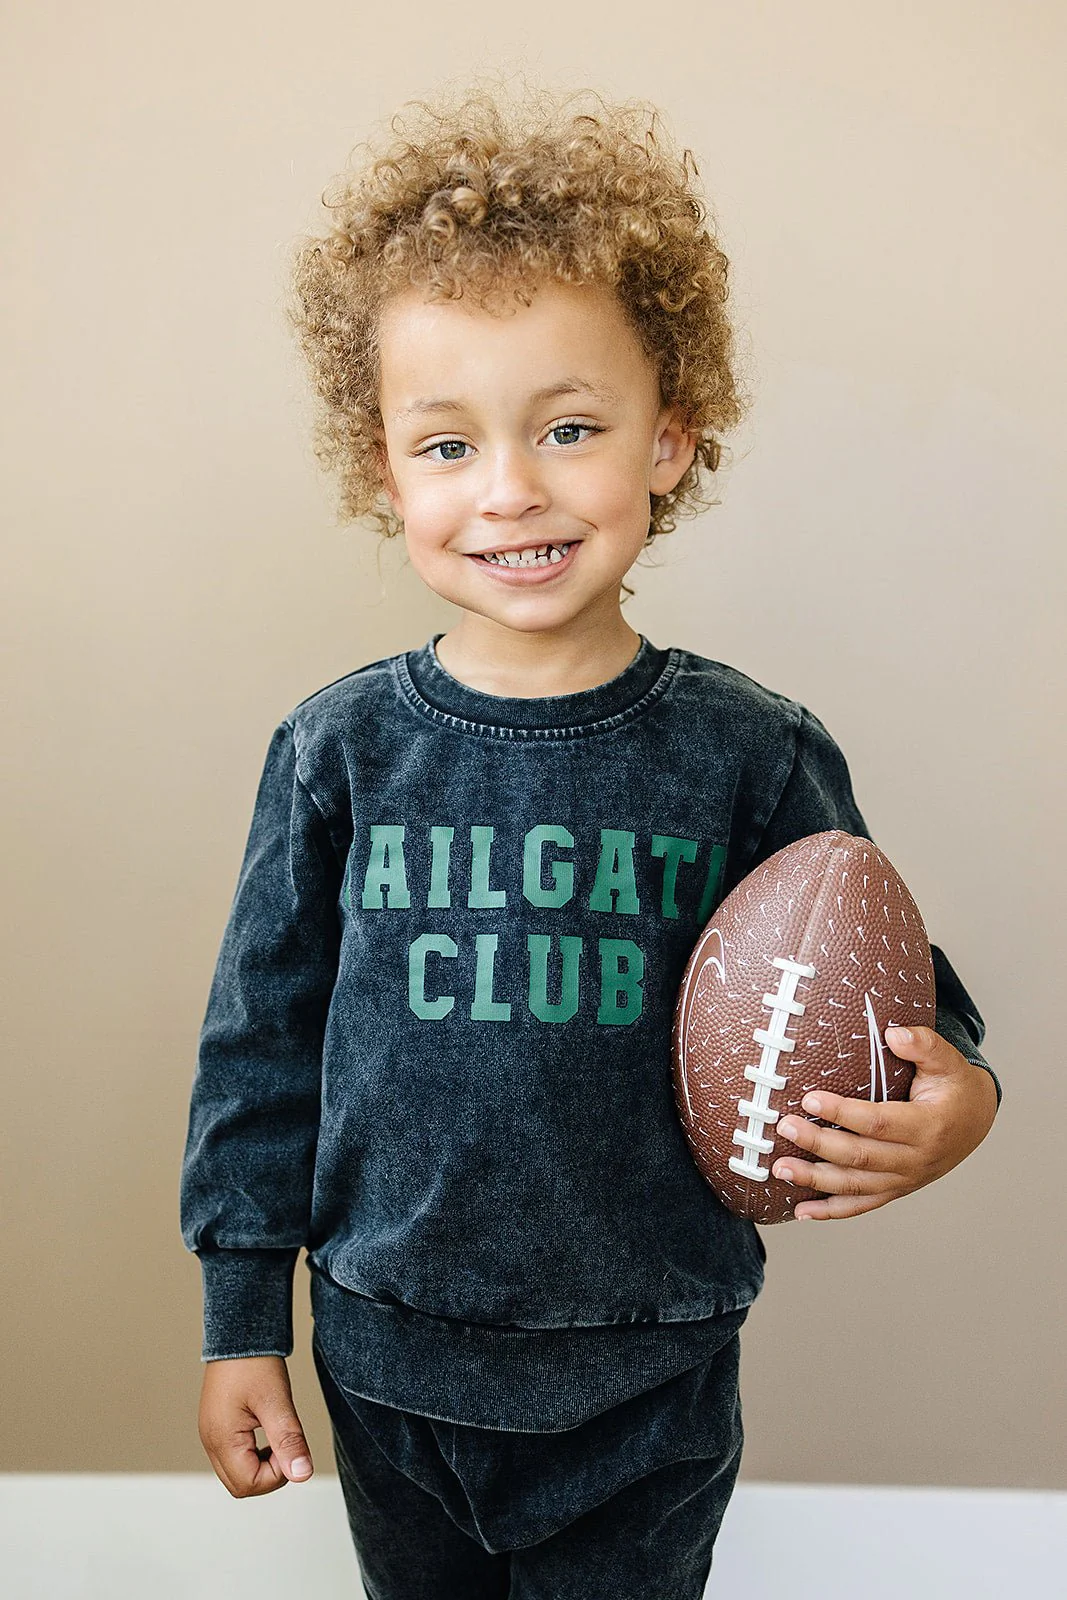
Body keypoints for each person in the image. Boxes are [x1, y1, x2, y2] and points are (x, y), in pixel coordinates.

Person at [179, 79, 1001, 1599]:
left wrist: (960, 1098)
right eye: (445, 446)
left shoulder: (748, 753)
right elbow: (259, 1050)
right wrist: (242, 1322)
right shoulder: (337, 753)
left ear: (669, 440)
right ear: (380, 468)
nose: (510, 490)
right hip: (383, 1356)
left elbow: (895, 984)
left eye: (569, 428)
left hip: (649, 1366)